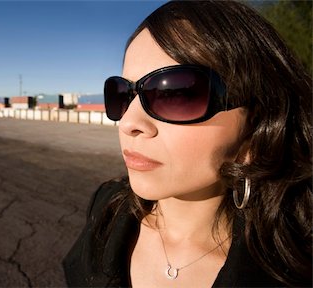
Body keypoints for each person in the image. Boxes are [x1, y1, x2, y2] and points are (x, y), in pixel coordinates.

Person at [63, 1, 312, 287]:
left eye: (175, 93)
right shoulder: (106, 207)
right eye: (123, 94)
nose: (129, 122)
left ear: (255, 125)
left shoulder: (293, 266)